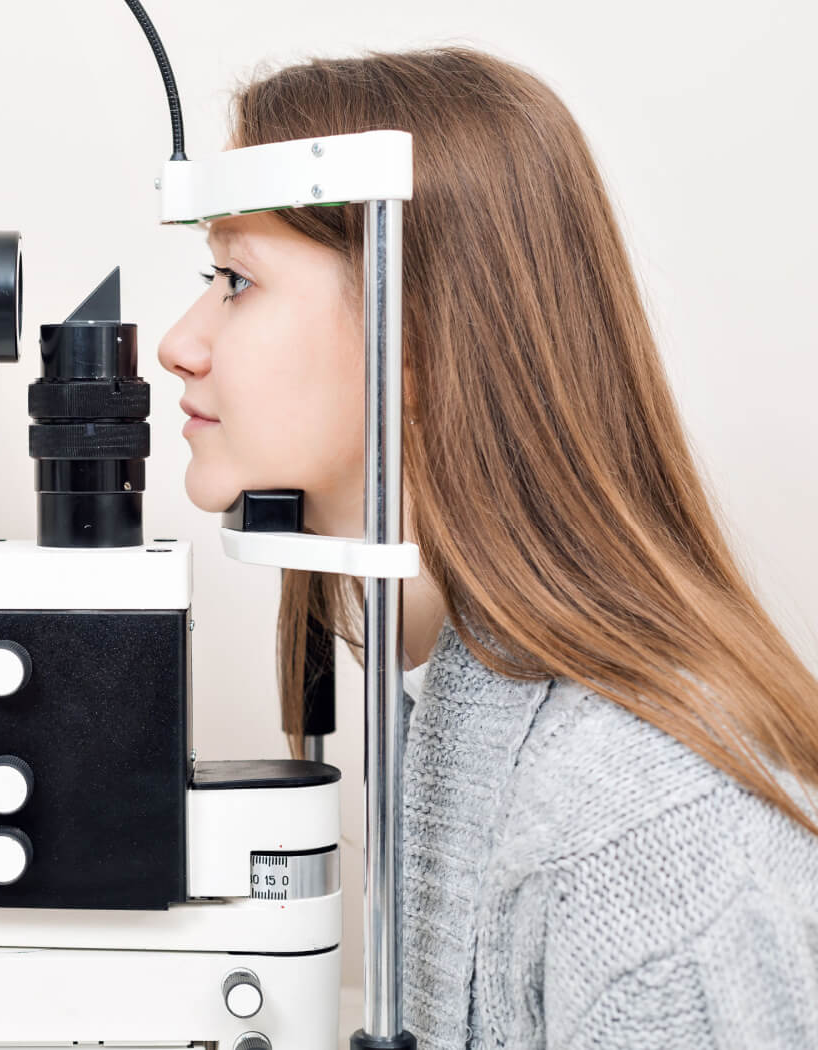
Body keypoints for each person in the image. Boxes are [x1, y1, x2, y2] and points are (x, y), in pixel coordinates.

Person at [157, 47, 818, 1048]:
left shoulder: (648, 853)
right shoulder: (459, 722)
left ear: (411, 335)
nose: (178, 341)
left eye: (236, 280)